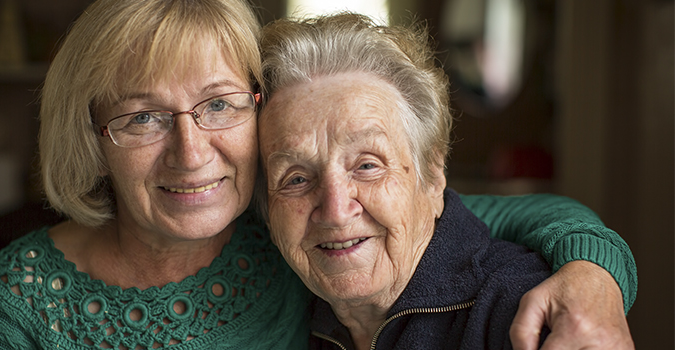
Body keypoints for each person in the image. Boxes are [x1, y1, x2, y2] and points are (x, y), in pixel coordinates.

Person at [0, 1, 634, 349]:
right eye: (141, 118)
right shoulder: (23, 300)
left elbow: (507, 218)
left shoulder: (286, 230)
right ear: (93, 135)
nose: (191, 154)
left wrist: (594, 275)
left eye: (217, 105)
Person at [256, 12, 635, 350]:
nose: (336, 212)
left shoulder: (522, 315)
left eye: (367, 166)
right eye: (296, 178)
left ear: (433, 176)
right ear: (268, 212)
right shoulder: (275, 310)